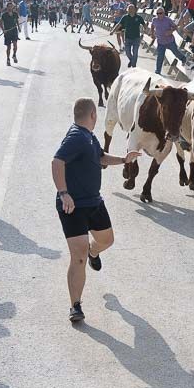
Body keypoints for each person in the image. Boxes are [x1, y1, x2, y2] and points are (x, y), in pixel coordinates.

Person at [53, 97, 140, 322]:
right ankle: (75, 306)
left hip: (94, 202)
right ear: (93, 115)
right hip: (72, 206)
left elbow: (101, 158)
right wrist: (64, 193)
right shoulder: (76, 137)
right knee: (78, 256)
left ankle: (94, 252)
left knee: (106, 241)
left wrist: (123, 159)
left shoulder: (88, 137)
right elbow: (57, 161)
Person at [112, 3, 146, 68]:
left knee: (135, 52)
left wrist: (146, 30)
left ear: (135, 10)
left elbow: (144, 25)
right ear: (127, 10)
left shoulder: (139, 17)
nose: (130, 10)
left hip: (136, 38)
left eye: (132, 8)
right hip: (127, 38)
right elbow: (119, 25)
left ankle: (133, 66)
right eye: (129, 9)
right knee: (127, 53)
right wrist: (113, 31)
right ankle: (132, 60)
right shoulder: (125, 17)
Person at [150, 7, 181, 75]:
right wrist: (152, 34)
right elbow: (152, 26)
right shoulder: (154, 20)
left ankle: (184, 60)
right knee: (160, 57)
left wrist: (171, 31)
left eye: (160, 13)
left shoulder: (168, 20)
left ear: (163, 13)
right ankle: (158, 71)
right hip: (161, 42)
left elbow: (175, 26)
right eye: (157, 13)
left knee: (176, 52)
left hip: (170, 41)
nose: (158, 15)